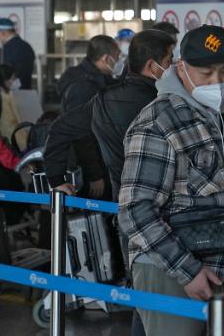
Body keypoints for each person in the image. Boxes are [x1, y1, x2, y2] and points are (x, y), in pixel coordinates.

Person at [119, 25, 224, 336]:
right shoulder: (157, 121)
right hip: (169, 267)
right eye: (206, 73)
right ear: (181, 68)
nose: (217, 83)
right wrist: (188, 271)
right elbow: (135, 212)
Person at [45, 29, 175, 336]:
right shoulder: (167, 101)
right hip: (170, 212)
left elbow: (60, 128)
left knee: (142, 296)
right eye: (170, 59)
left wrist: (56, 179)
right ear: (153, 65)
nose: (175, 65)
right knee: (168, 302)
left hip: (126, 212)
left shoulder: (104, 100)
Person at [58, 34, 120, 199]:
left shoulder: (93, 79)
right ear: (106, 58)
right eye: (118, 56)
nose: (120, 61)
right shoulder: (84, 88)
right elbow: (82, 135)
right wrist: (94, 175)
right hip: (86, 166)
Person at [0, 18, 36, 90]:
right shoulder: (26, 46)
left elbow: (5, 75)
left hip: (12, 94)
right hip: (25, 90)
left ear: (4, 33)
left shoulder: (9, 48)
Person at [0, 64, 27, 150]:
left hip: (7, 142)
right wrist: (25, 144)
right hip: (13, 143)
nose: (16, 81)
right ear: (5, 80)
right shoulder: (5, 98)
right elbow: (11, 125)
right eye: (13, 78)